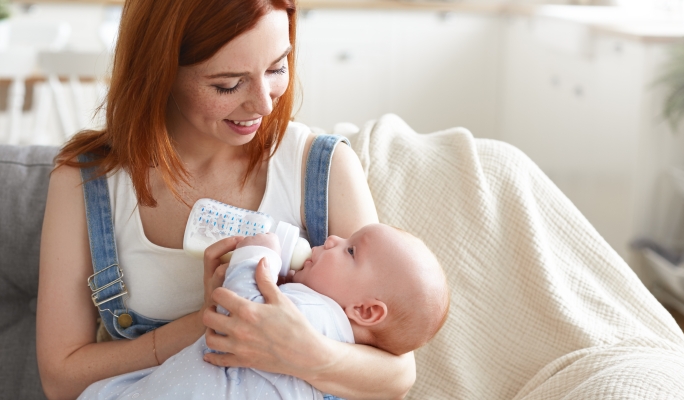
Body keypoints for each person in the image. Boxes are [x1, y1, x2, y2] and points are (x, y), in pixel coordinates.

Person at [36, 1, 416, 399]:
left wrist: (302, 350)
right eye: (228, 84)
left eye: (276, 68)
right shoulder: (86, 181)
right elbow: (61, 380)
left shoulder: (323, 168)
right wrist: (214, 322)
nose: (264, 104)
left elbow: (396, 374)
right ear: (159, 72)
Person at [78, 224, 450, 399]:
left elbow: (240, 313)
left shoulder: (317, 313)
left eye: (351, 251)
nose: (334, 238)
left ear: (366, 311)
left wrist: (258, 255)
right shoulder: (344, 370)